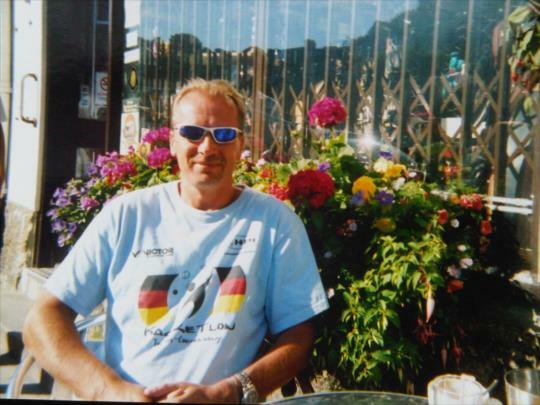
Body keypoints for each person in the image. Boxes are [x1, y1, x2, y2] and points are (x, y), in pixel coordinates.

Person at [23, 78, 329, 403]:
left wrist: (227, 392)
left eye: (224, 134)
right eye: (192, 133)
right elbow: (43, 318)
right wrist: (110, 391)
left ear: (241, 144)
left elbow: (299, 335)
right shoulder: (127, 215)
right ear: (172, 142)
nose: (207, 147)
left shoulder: (275, 223)